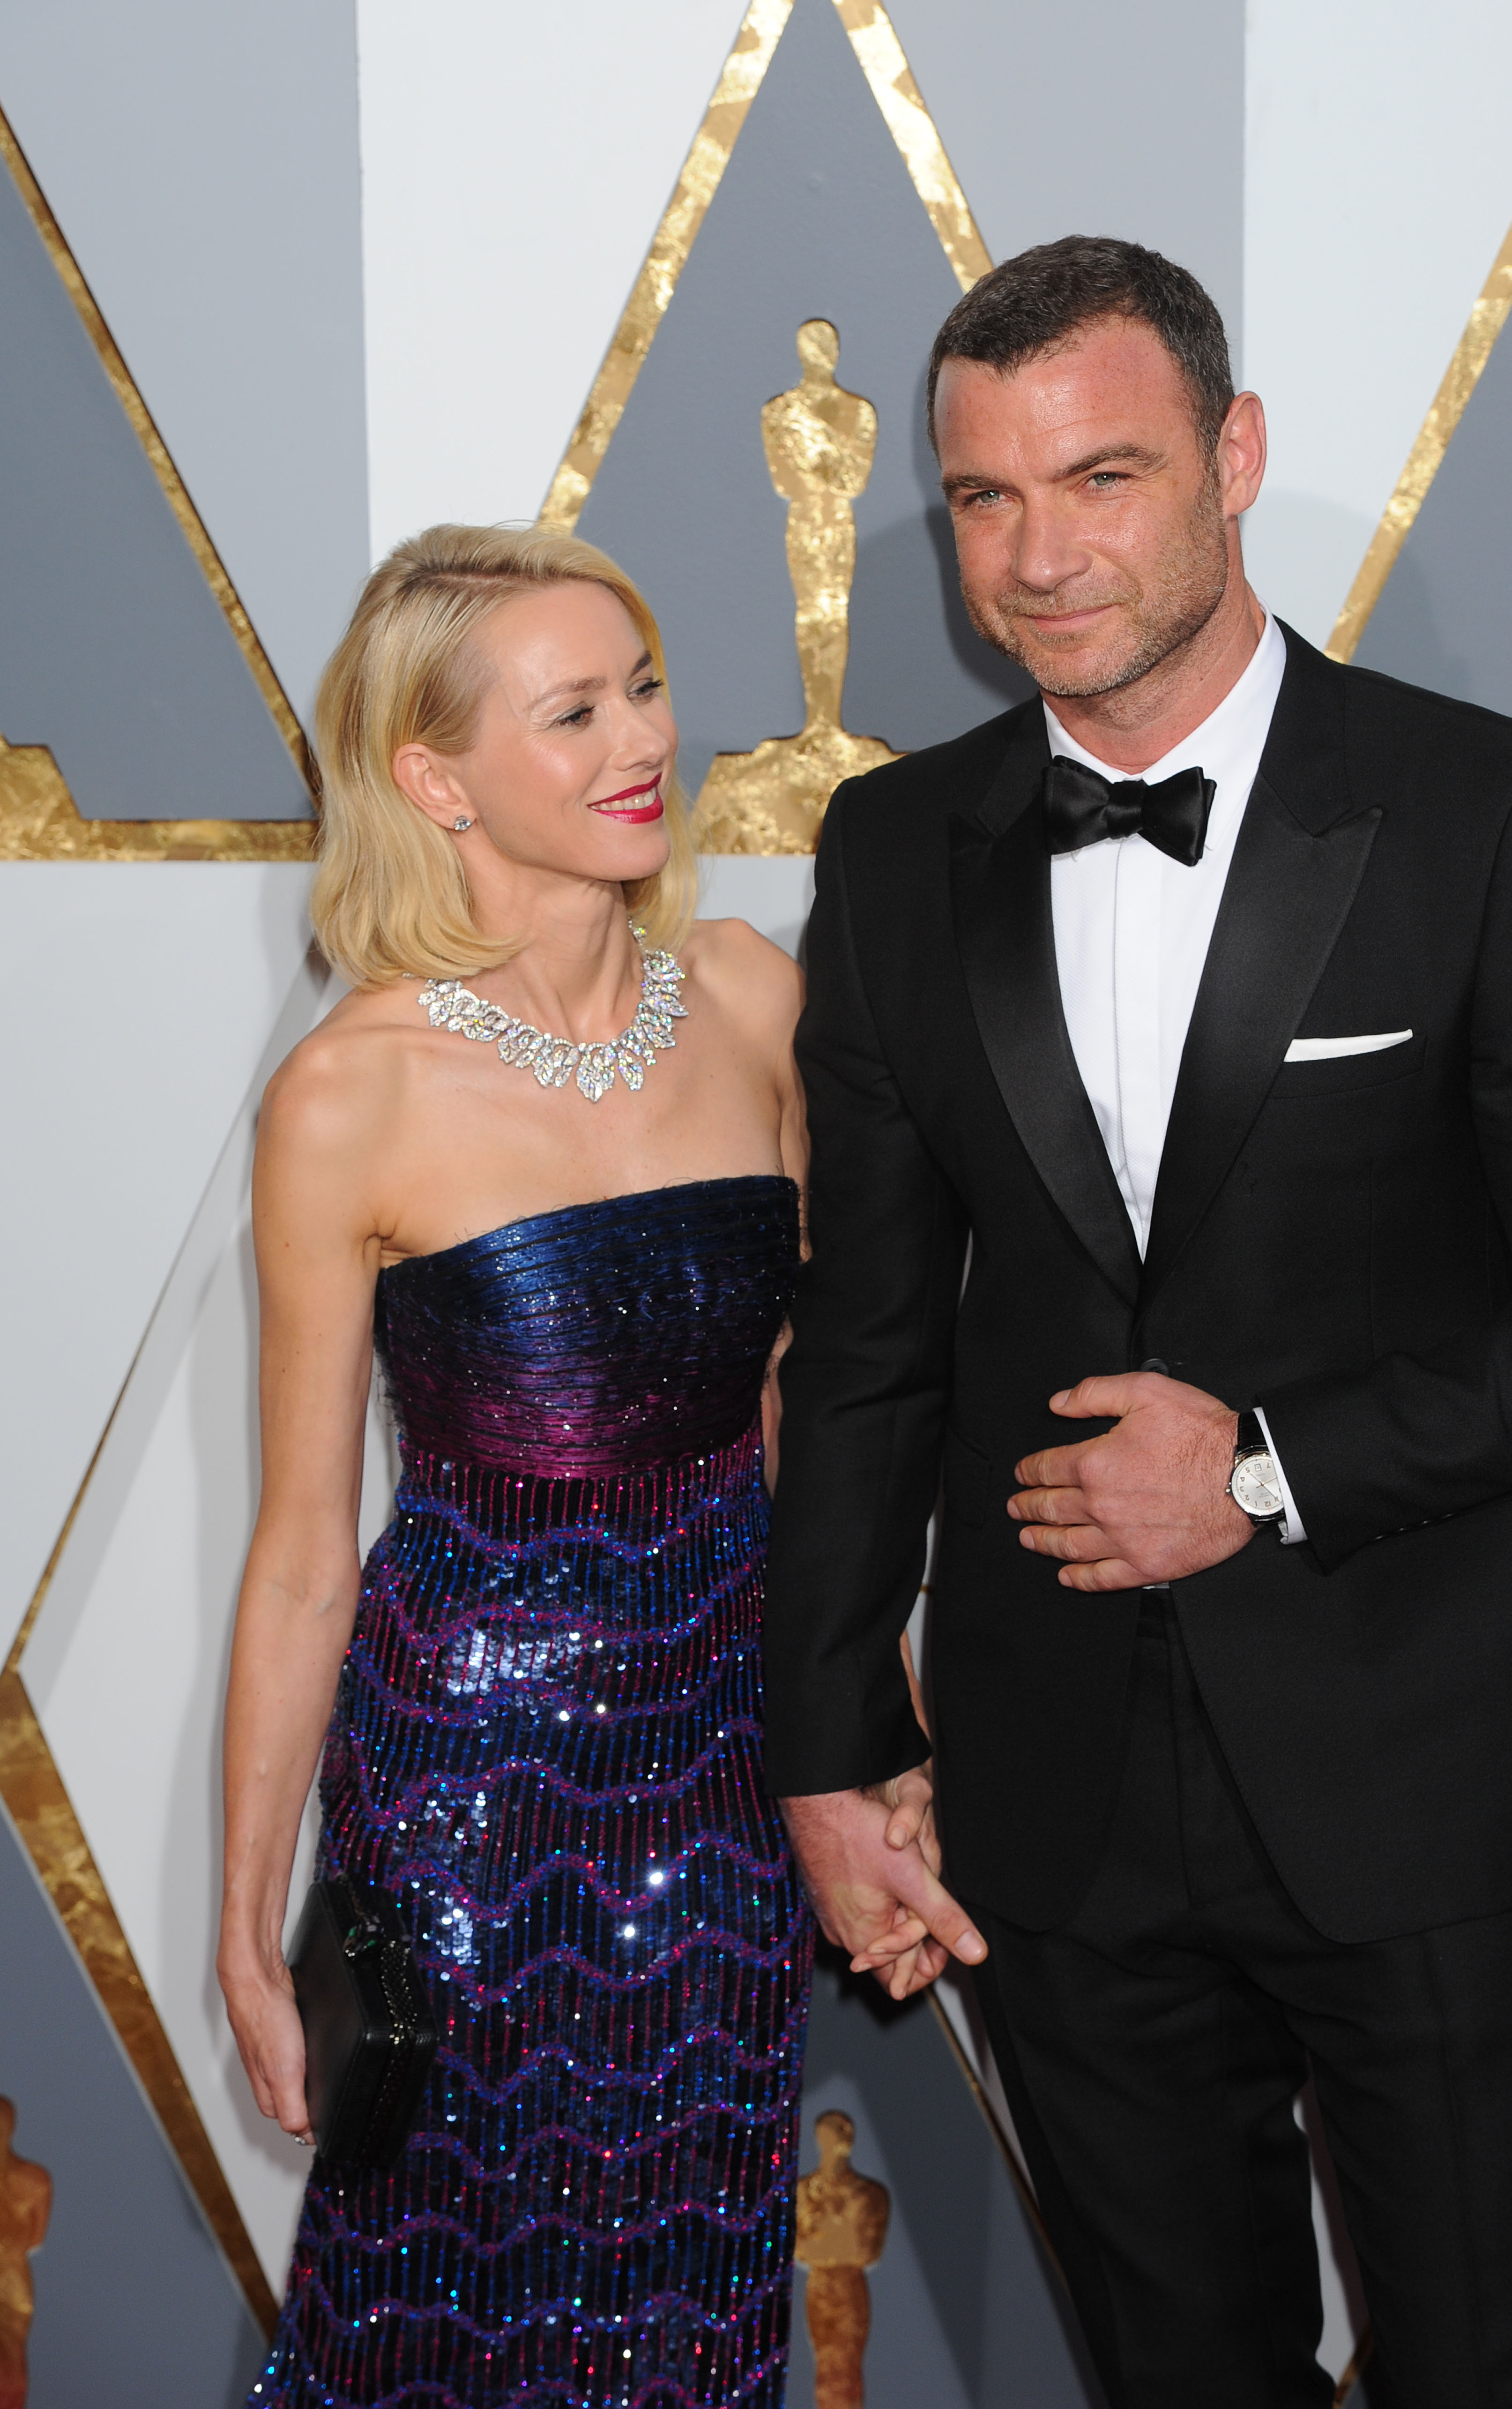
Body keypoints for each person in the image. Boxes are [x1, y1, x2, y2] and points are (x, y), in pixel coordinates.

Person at [762, 236, 1512, 2407]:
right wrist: (826, 1744)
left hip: (1420, 1771)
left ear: (1235, 456)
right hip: (1053, 1799)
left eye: (1102, 478)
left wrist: (1267, 1471)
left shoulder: (1492, 815)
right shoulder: (894, 850)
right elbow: (871, 1338)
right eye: (985, 498)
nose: (1040, 556)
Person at [218, 524, 819, 2408]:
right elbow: (305, 1549)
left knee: (695, 2292)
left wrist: (865, 1731)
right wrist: (246, 1924)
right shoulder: (352, 1093)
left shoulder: (751, 997)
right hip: (466, 1807)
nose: (644, 738)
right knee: (439, 2304)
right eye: (575, 712)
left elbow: (803, 1417)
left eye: (643, 685)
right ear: (436, 778)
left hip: (726, 1777)